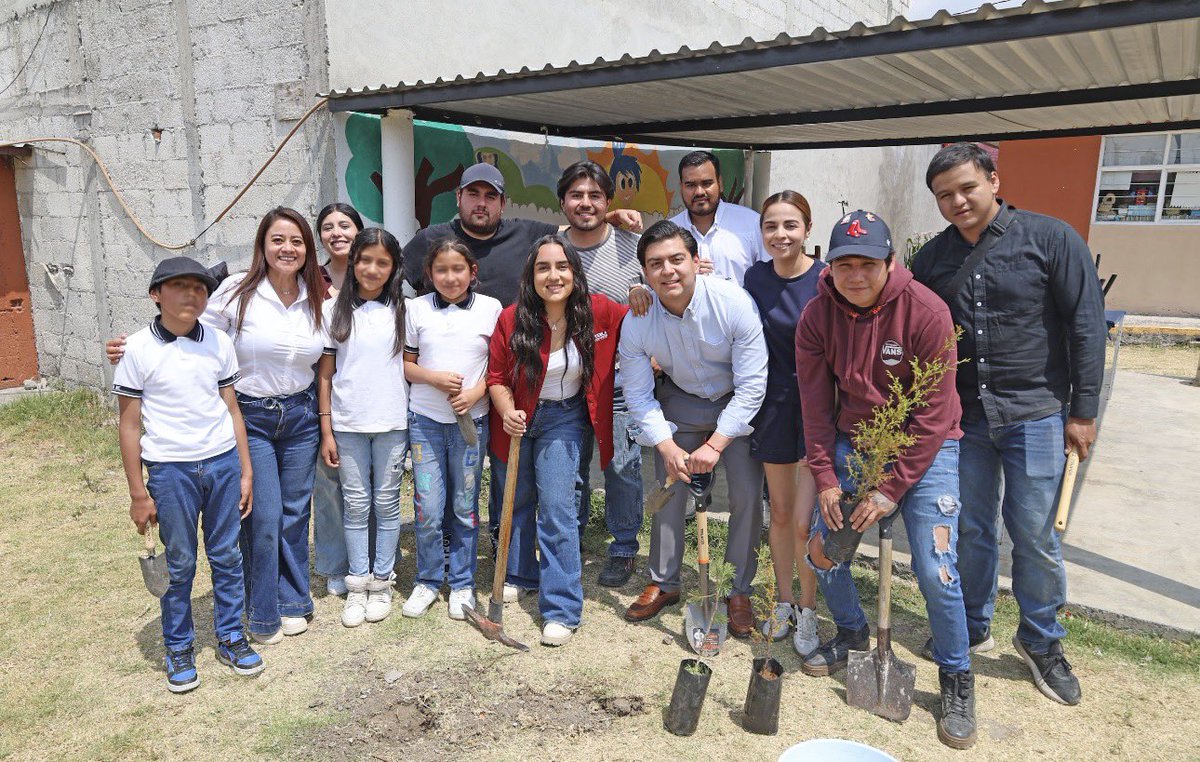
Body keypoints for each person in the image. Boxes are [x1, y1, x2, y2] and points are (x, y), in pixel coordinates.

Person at [911, 142, 1106, 707]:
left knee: (1035, 533)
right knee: (970, 528)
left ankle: (1041, 640)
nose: (957, 202)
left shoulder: (1052, 239)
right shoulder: (933, 260)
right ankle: (972, 622)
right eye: (944, 196)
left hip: (1036, 413)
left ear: (994, 180)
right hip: (963, 419)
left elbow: (1087, 327)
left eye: (967, 188)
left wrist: (1084, 412)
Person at [796, 209, 975, 750]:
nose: (854, 275)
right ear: (830, 266)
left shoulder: (927, 312)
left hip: (930, 443)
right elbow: (815, 407)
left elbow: (934, 414)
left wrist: (890, 489)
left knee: (935, 564)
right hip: (856, 441)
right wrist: (827, 478)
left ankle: (956, 674)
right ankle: (850, 631)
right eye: (844, 264)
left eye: (867, 264)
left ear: (889, 262)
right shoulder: (816, 317)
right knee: (826, 548)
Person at [106, 208, 327, 644]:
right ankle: (262, 613)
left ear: (307, 249)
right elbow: (186, 324)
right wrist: (131, 343)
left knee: (296, 514)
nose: (288, 248)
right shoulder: (236, 290)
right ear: (262, 245)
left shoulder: (319, 295)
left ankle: (293, 600)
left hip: (301, 417)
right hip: (251, 414)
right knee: (262, 515)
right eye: (278, 240)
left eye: (297, 241)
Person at [113, 256, 261, 692]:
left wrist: (246, 469)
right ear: (156, 295)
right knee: (179, 562)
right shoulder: (137, 348)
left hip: (221, 464)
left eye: (199, 288)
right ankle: (179, 645)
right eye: (178, 286)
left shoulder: (217, 341)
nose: (191, 295)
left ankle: (231, 635)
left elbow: (232, 409)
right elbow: (129, 424)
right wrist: (139, 492)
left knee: (228, 556)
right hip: (170, 471)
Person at [618, 220, 768, 637]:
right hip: (680, 401)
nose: (668, 271)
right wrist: (665, 446)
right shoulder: (638, 321)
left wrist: (718, 444)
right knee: (668, 491)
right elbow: (638, 393)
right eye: (655, 263)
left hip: (735, 403)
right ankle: (664, 581)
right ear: (644, 273)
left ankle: (738, 589)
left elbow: (754, 383)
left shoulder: (733, 302)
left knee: (746, 497)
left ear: (694, 261)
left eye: (676, 260)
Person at [486, 235, 628, 647]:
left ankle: (562, 608)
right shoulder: (512, 319)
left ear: (575, 273)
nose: (554, 276)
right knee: (519, 500)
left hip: (566, 417)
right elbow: (496, 377)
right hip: (520, 415)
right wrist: (508, 408)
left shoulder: (599, 311)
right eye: (543, 268)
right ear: (531, 277)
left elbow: (643, 315)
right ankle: (520, 574)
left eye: (562, 266)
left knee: (557, 509)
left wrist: (641, 292)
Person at [556, 160, 649, 588]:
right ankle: (568, 542)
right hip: (566, 381)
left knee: (622, 466)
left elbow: (662, 297)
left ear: (608, 201)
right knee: (571, 466)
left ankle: (624, 546)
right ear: (563, 202)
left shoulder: (633, 244)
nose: (586, 203)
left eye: (596, 196)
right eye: (577, 195)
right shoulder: (552, 248)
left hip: (620, 380)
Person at [741, 190, 824, 656]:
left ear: (807, 230)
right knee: (780, 512)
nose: (780, 234)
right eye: (771, 226)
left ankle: (810, 610)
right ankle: (785, 603)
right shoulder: (754, 278)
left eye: (790, 225)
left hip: (817, 408)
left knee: (803, 521)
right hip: (772, 405)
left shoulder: (827, 279)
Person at [402, 240, 502, 619]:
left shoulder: (490, 309)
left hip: (469, 424)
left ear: (472, 272)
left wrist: (476, 394)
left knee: (464, 507)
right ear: (430, 274)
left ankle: (462, 583)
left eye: (457, 269)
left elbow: (498, 365)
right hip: (425, 422)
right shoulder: (417, 308)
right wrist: (434, 378)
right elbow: (407, 365)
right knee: (427, 508)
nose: (450, 277)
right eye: (441, 270)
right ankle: (428, 580)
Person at [317, 228, 409, 627]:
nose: (372, 269)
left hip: (391, 423)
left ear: (393, 269)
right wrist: (326, 428)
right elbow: (325, 375)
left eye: (382, 262)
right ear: (352, 263)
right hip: (348, 424)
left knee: (386, 503)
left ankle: (382, 581)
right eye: (365, 260)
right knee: (355, 504)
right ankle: (357, 584)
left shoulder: (407, 311)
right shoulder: (331, 309)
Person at [312, 202, 365, 597]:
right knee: (329, 482)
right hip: (317, 391)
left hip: (368, 398)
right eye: (328, 227)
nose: (337, 233)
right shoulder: (308, 279)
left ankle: (371, 559)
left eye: (345, 225)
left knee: (369, 483)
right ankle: (334, 563)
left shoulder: (378, 275)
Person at [669, 150, 766, 284]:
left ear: (720, 183)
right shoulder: (668, 232)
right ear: (681, 187)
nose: (699, 192)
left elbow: (771, 276)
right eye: (690, 185)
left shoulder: (752, 223)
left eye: (706, 183)